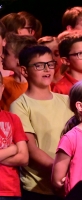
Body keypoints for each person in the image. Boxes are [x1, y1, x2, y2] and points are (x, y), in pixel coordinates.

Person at [10, 45, 74, 200]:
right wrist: (61, 171)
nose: (47, 70)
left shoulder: (66, 100)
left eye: (50, 64)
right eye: (39, 66)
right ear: (24, 71)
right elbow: (31, 149)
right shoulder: (20, 105)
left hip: (69, 183)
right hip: (39, 188)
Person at [0, 71, 28, 200]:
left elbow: (24, 158)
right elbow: (18, 151)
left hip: (11, 191)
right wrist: (12, 149)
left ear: (2, 88)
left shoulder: (13, 118)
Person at [0, 33, 37, 111]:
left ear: (19, 59)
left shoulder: (37, 86)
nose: (2, 56)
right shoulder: (3, 82)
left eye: (6, 53)